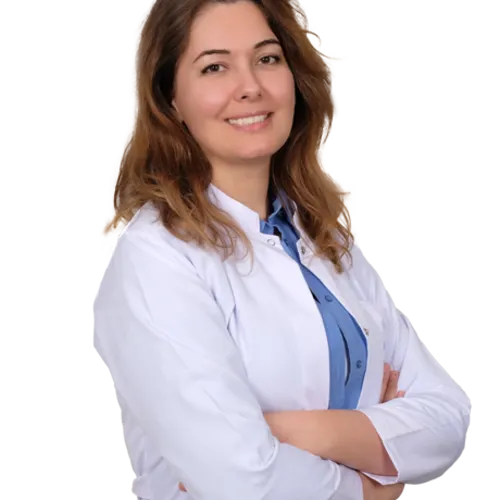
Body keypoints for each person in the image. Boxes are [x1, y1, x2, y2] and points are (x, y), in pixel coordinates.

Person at [94, 0, 472, 499]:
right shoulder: (156, 259)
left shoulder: (323, 235)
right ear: (171, 100)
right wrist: (372, 488)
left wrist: (285, 430)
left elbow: (448, 420)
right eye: (214, 67)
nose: (250, 86)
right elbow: (245, 481)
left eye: (267, 58)